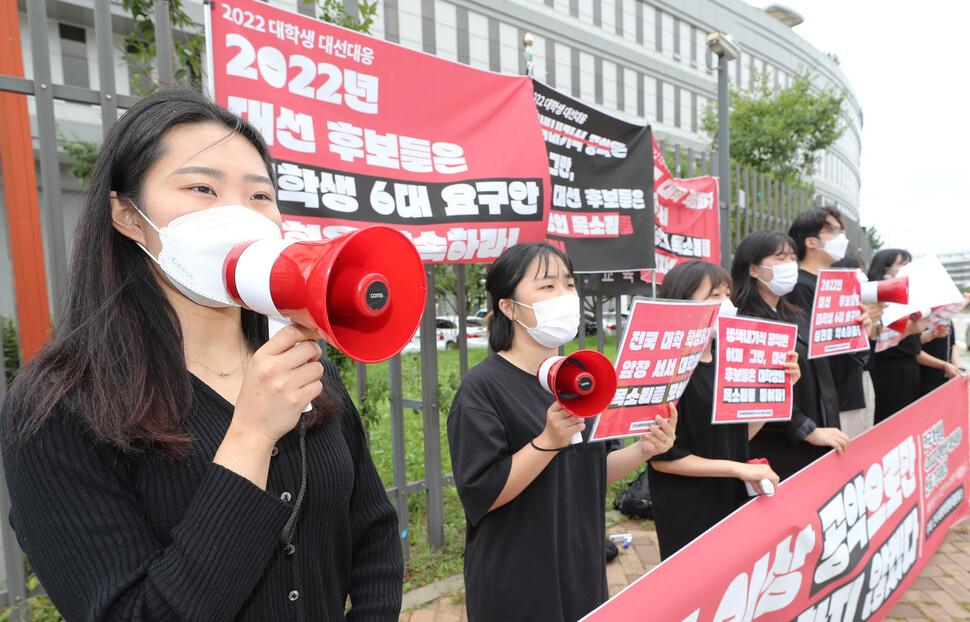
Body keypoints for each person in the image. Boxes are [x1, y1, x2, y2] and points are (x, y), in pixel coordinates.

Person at [1, 88, 403, 621]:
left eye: (260, 196)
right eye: (201, 188)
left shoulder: (304, 366)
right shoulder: (58, 404)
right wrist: (252, 438)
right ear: (126, 215)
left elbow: (372, 534)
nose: (238, 215)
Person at [447, 242, 678, 622]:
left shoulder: (582, 377)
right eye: (547, 286)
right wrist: (546, 443)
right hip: (519, 580)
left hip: (581, 565)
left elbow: (593, 469)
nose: (565, 296)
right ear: (508, 307)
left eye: (569, 284)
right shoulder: (482, 389)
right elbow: (482, 493)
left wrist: (644, 450)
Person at [648, 260, 795, 560]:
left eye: (727, 294)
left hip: (729, 499)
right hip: (689, 508)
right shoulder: (667, 369)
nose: (726, 304)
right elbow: (663, 459)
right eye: (714, 296)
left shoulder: (727, 362)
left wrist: (777, 391)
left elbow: (739, 434)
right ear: (682, 304)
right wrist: (736, 469)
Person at [730, 230, 852, 481]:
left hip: (818, 432)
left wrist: (858, 331)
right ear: (753, 269)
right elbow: (760, 394)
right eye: (780, 258)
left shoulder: (797, 314)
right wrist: (807, 430)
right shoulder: (745, 323)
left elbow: (824, 369)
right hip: (779, 445)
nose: (789, 265)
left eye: (792, 257)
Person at [786, 209, 874, 439]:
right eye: (833, 231)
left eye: (840, 230)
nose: (841, 237)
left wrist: (863, 330)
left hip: (849, 389)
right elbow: (810, 350)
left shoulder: (838, 283)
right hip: (831, 398)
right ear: (811, 241)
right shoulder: (800, 286)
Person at [868, 248, 925, 423]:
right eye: (902, 263)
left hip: (910, 366)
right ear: (886, 269)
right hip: (887, 369)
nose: (907, 268)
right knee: (890, 419)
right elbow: (878, 341)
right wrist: (909, 330)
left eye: (909, 263)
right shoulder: (875, 299)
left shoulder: (910, 296)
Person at [829, 255, 879, 436]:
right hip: (844, 390)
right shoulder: (831, 309)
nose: (863, 278)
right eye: (857, 272)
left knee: (865, 432)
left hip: (860, 379)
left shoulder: (866, 308)